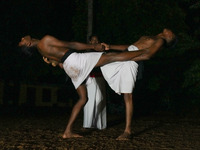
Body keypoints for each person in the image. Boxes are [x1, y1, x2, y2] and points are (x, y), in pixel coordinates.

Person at [19, 28, 176, 139]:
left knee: (83, 98)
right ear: (27, 44)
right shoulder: (45, 40)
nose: (22, 38)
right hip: (76, 60)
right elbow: (72, 45)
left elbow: (58, 58)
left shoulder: (41, 51)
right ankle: (143, 55)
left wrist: (53, 62)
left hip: (69, 67)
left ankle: (67, 131)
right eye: (22, 41)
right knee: (111, 57)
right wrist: (92, 46)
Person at [83, 35, 107, 130]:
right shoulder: (87, 52)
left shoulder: (102, 52)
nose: (95, 42)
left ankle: (100, 124)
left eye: (97, 40)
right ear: (90, 42)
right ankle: (87, 124)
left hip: (100, 77)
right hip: (90, 78)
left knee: (100, 99)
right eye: (93, 40)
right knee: (90, 100)